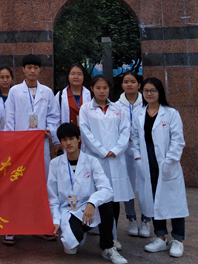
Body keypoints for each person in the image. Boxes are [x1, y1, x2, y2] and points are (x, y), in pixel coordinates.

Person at [47, 123, 127, 263]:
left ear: (79, 139)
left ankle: (108, 247)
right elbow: (53, 198)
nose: (68, 143)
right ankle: (78, 234)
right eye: (64, 140)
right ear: (61, 142)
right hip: (68, 210)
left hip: (88, 207)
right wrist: (55, 221)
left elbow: (107, 189)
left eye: (71, 138)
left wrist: (92, 203)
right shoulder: (55, 164)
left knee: (106, 203)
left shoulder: (91, 161)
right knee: (71, 247)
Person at [4, 54, 60, 245]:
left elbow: (54, 117)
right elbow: (9, 119)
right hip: (20, 148)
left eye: (35, 67)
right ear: (23, 70)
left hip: (40, 147)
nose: (32, 71)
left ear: (40, 70)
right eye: (29, 67)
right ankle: (12, 227)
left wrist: (49, 130)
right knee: (17, 186)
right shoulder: (15, 92)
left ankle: (40, 225)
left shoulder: (47, 92)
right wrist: (12, 143)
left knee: (40, 186)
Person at [132, 77, 188, 258]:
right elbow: (134, 138)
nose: (149, 94)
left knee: (173, 200)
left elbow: (178, 140)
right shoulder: (139, 113)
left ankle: (178, 239)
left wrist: (170, 161)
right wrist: (138, 157)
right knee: (153, 199)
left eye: (152, 90)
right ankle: (160, 237)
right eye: (146, 90)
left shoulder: (171, 113)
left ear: (160, 92)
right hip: (146, 160)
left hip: (166, 161)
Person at [79, 76, 134, 252]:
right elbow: (85, 133)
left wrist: (116, 150)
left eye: (105, 88)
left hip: (116, 159)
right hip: (96, 158)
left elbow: (125, 131)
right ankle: (94, 231)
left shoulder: (118, 109)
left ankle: (112, 237)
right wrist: (102, 151)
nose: (102, 91)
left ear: (109, 89)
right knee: (96, 196)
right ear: (92, 89)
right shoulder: (86, 108)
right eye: (98, 88)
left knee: (114, 199)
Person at [116, 71, 150, 238]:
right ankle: (131, 219)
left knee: (145, 184)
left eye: (133, 81)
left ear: (139, 85)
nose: (129, 84)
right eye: (126, 82)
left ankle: (146, 220)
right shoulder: (116, 105)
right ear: (122, 85)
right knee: (127, 184)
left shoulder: (147, 104)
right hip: (124, 152)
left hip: (143, 150)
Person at [57, 63, 92, 128]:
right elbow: (55, 117)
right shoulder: (60, 95)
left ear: (83, 76)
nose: (76, 77)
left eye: (79, 74)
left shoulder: (91, 94)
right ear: (68, 76)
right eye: (73, 74)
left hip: (86, 132)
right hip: (67, 132)